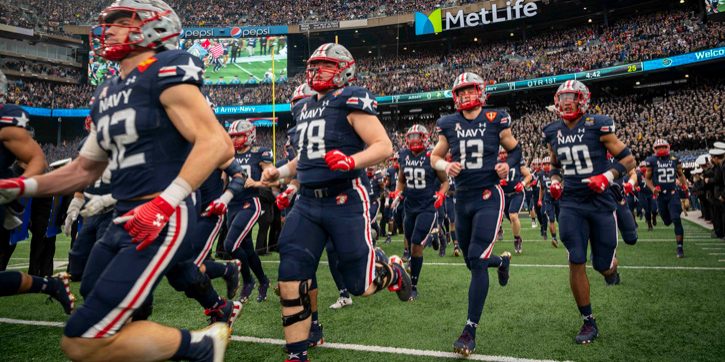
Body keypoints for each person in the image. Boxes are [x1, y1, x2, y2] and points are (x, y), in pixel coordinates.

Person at [0, 1, 236, 360]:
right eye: (108, 22)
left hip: (160, 214)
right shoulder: (108, 89)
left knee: (81, 338)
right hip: (122, 214)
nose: (108, 29)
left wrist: (165, 202)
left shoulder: (165, 68)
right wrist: (19, 186)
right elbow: (83, 169)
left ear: (154, 28)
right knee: (106, 314)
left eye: (120, 22)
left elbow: (217, 143)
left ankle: (202, 346)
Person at [261, 43, 412, 362]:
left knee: (360, 285)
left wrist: (350, 160)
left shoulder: (351, 98)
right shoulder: (303, 107)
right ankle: (297, 354)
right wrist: (281, 171)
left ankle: (393, 271)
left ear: (345, 69)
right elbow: (305, 157)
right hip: (307, 203)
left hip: (345, 199)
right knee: (290, 278)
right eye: (313, 65)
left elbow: (383, 146)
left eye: (325, 65)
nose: (316, 71)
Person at [542, 80, 635, 344]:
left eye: (572, 97)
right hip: (571, 203)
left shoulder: (598, 125)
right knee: (576, 258)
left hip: (600, 201)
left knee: (602, 264)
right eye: (563, 98)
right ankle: (588, 321)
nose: (567, 102)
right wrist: (556, 181)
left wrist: (606, 176)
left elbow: (628, 160)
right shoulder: (552, 131)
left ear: (583, 100)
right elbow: (555, 165)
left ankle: (611, 270)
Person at [430, 72, 515, 356]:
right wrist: (444, 165)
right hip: (461, 197)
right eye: (461, 92)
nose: (466, 96)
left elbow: (515, 150)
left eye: (470, 90)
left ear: (480, 92)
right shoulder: (449, 123)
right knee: (471, 260)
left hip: (488, 195)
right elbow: (435, 156)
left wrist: (507, 167)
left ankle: (469, 330)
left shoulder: (496, 118)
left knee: (476, 260)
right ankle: (501, 262)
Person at [390, 124, 449, 300]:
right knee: (409, 240)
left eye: (418, 136)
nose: (414, 140)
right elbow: (401, 179)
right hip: (410, 205)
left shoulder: (432, 156)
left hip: (427, 206)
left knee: (416, 245)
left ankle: (413, 286)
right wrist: (398, 192)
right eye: (412, 137)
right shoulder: (403, 155)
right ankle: (432, 237)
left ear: (424, 138)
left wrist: (441, 194)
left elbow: (445, 182)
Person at [644, 139, 689, 258]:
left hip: (673, 193)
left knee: (676, 219)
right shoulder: (651, 161)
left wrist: (684, 186)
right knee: (667, 221)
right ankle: (667, 218)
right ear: (654, 149)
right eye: (658, 147)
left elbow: (680, 174)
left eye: (663, 147)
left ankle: (680, 247)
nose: (661, 149)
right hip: (660, 196)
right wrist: (652, 188)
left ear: (668, 147)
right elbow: (647, 178)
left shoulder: (674, 158)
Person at [498, 147, 532, 254]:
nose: (503, 155)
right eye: (501, 153)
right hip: (503, 195)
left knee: (513, 215)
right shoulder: (496, 163)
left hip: (516, 193)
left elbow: (528, 176)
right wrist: (498, 182)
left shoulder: (516, 161)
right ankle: (501, 230)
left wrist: (522, 184)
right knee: (509, 218)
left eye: (505, 152)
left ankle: (517, 239)